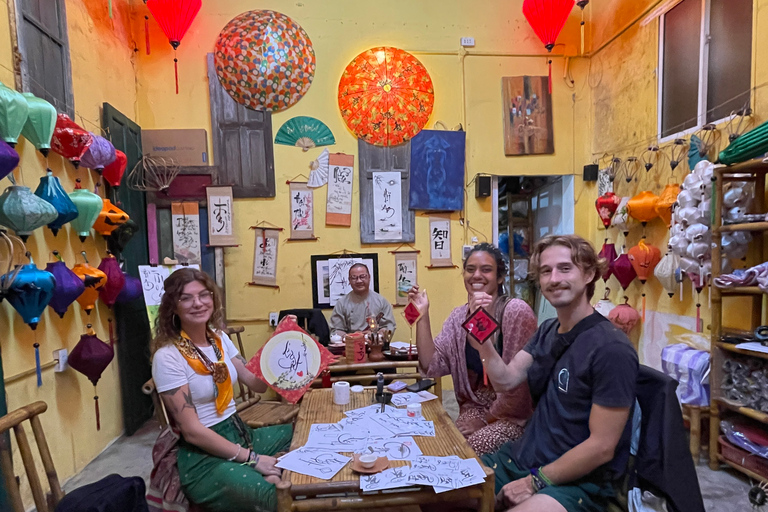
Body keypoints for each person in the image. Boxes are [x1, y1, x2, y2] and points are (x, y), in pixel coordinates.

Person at [477, 235, 638, 512]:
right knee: (435, 494)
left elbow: (601, 447)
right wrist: (482, 338)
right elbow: (505, 380)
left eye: (565, 268)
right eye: (545, 271)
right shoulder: (548, 330)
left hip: (577, 481)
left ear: (588, 274)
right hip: (522, 457)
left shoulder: (611, 348)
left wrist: (534, 482)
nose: (554, 279)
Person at [149, 268, 291, 512]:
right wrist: (253, 459)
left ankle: (269, 472)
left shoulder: (219, 339)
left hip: (242, 434)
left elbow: (254, 382)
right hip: (204, 457)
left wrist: (279, 355)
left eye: (204, 295)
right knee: (274, 496)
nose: (198, 303)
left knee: (303, 433)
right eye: (186, 298)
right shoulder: (167, 357)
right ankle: (264, 474)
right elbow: (192, 432)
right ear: (173, 307)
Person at [408, 243, 537, 456]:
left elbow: (519, 390)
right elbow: (432, 365)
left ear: (500, 277)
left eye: (486, 269)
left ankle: (487, 489)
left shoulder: (516, 312)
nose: (476, 275)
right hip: (474, 406)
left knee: (470, 449)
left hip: (512, 414)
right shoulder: (459, 316)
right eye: (470, 269)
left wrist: (485, 420)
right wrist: (423, 314)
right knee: (443, 442)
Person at [329, 263, 396, 335]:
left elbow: (388, 327)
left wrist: (378, 335)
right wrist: (352, 337)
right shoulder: (341, 303)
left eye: (362, 277)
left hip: (375, 344)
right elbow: (336, 330)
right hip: (350, 344)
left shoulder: (381, 302)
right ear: (349, 280)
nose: (359, 281)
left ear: (369, 277)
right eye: (354, 278)